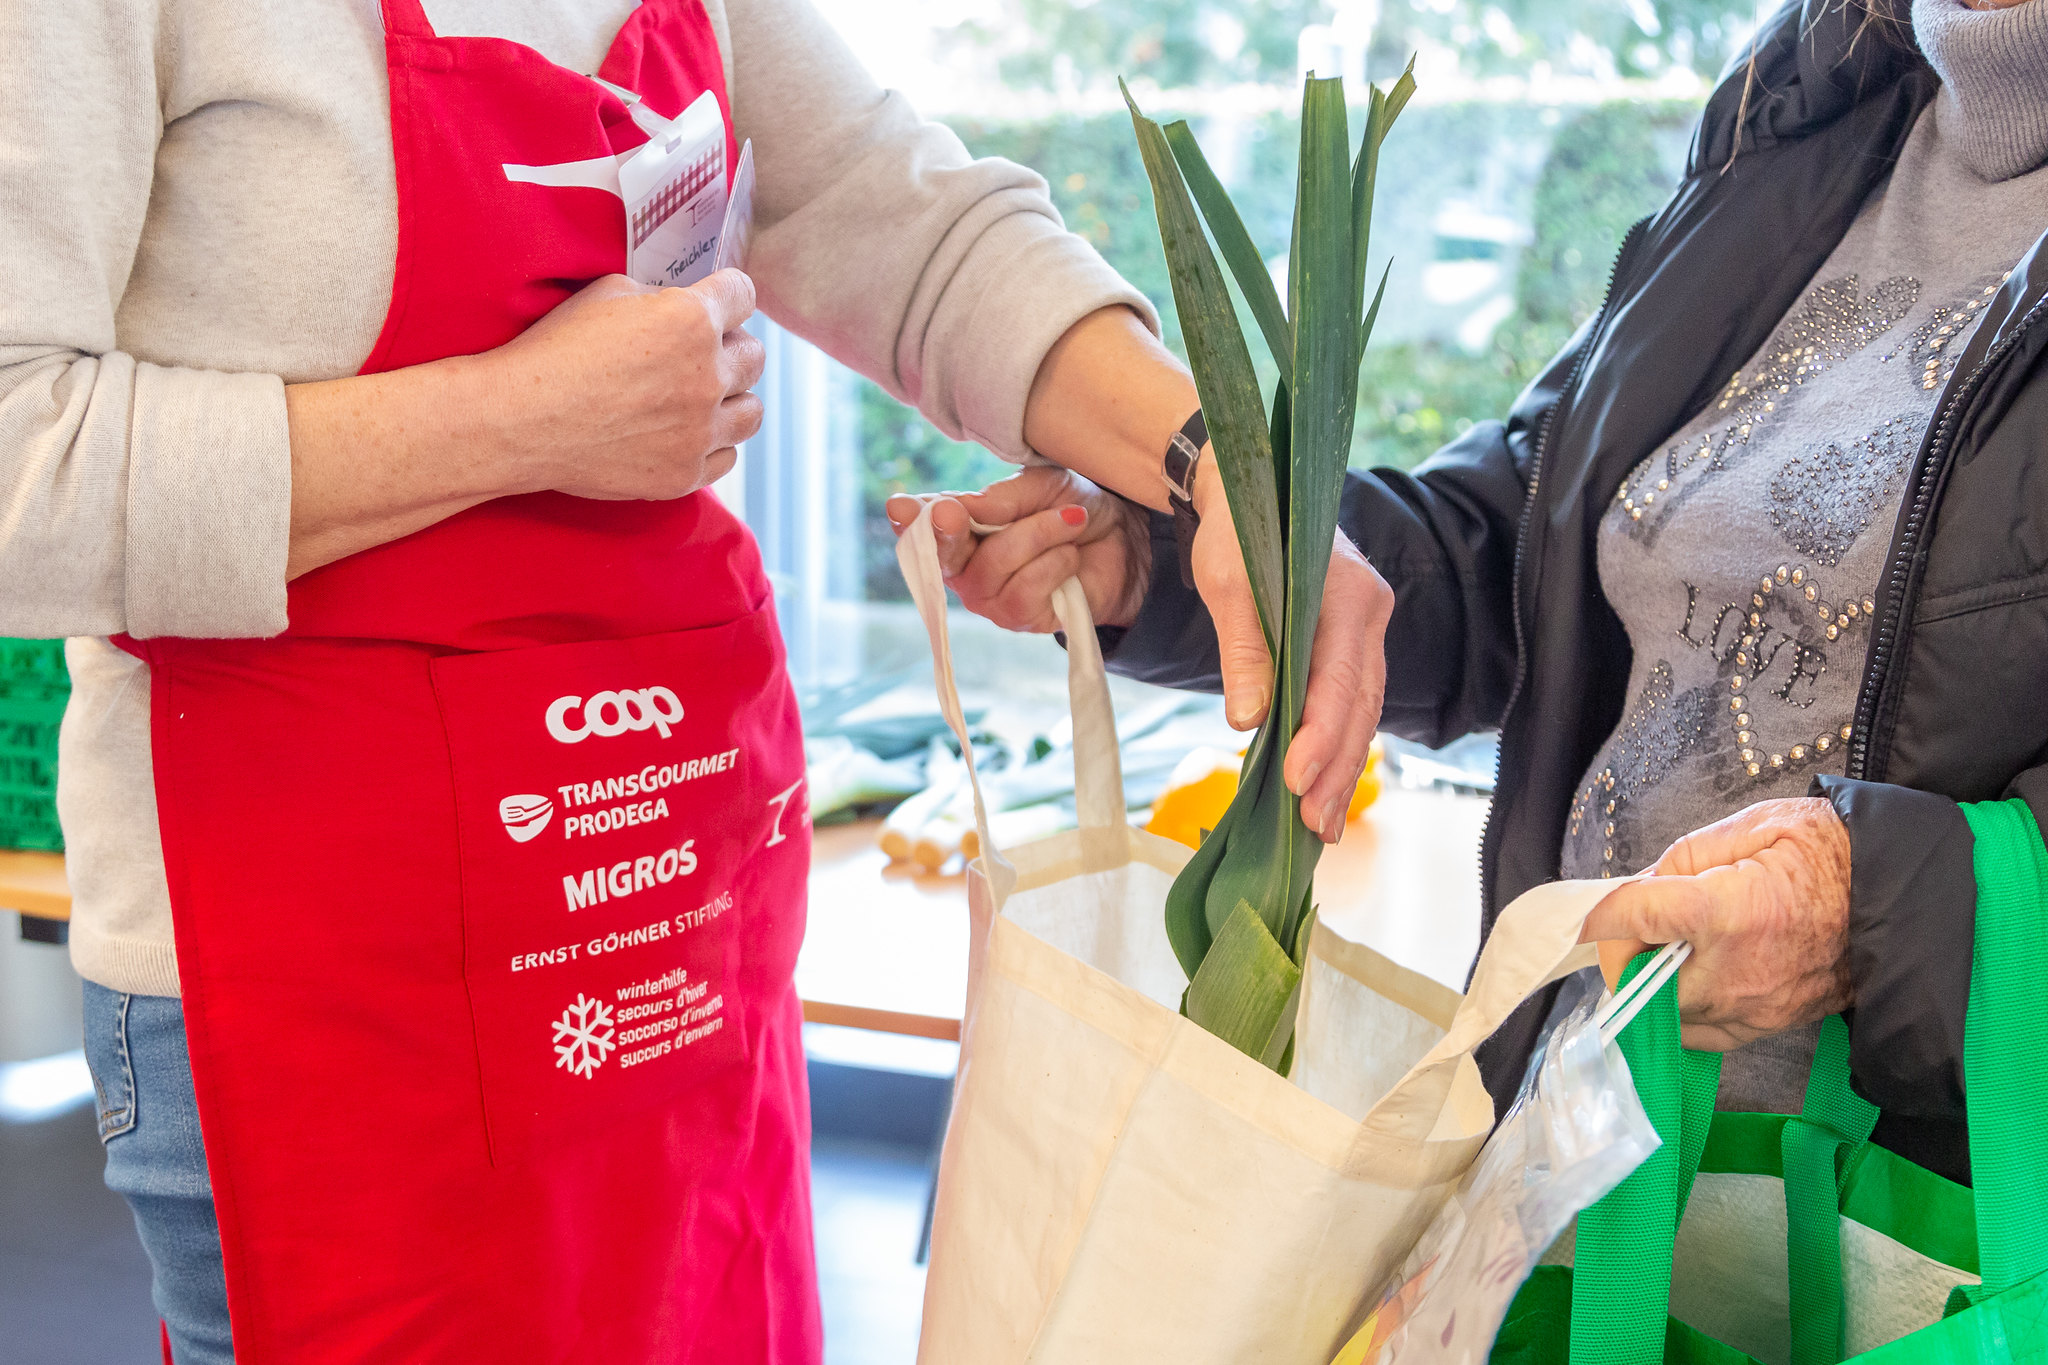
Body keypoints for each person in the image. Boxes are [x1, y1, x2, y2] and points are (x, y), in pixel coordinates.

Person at [0, 1, 1370, 1360]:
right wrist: (519, 422)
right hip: (322, 977)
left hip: (666, 912)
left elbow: (898, 221)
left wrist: (1221, 469)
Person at [916, 0, 2048, 1188]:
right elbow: (1520, 555)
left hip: (1923, 1254)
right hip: (1577, 1183)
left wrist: (1863, 916)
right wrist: (1180, 556)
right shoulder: (1813, 93)